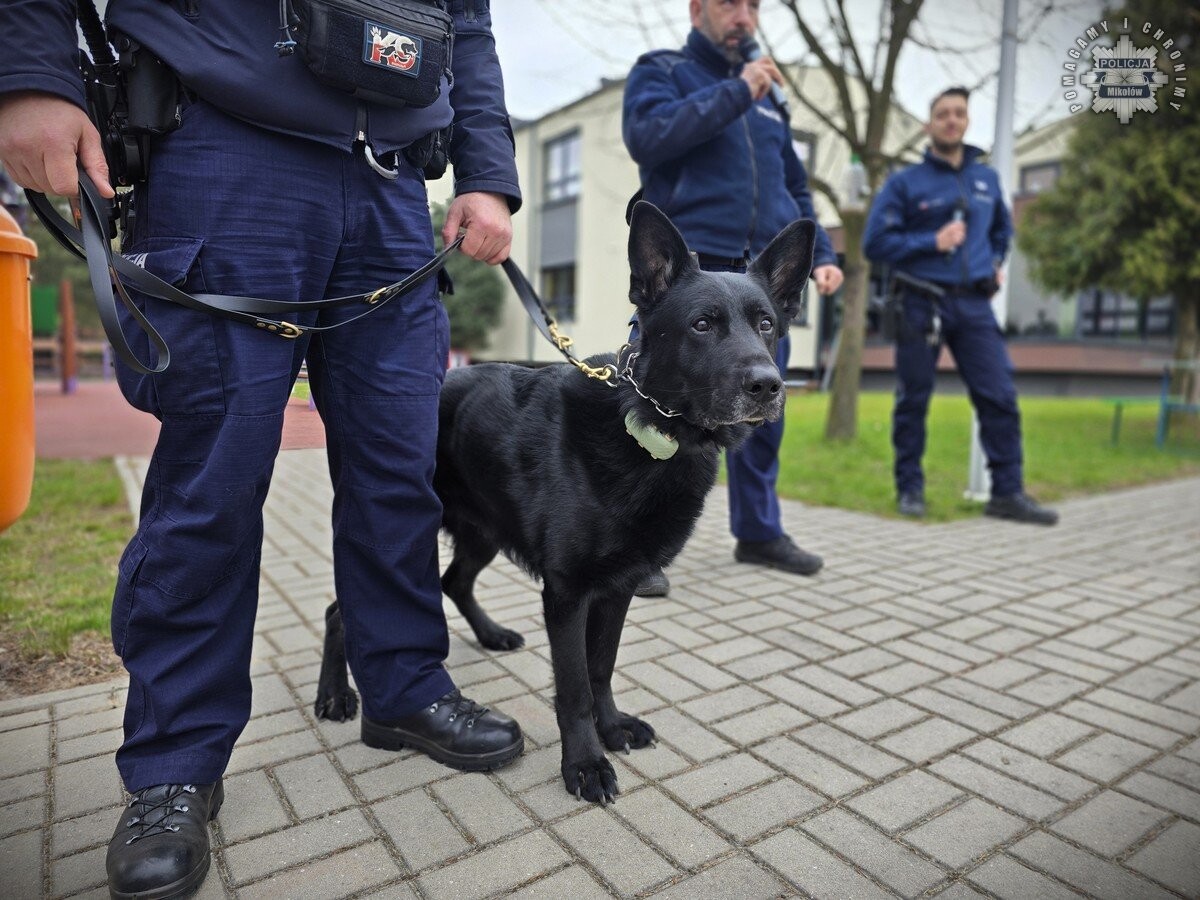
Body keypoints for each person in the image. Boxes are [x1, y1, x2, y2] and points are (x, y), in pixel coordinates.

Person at [0, 1, 525, 895]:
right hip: (223, 144)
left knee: (400, 473)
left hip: (393, 180)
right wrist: (29, 76)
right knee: (216, 480)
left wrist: (489, 171)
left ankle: (402, 688)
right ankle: (174, 762)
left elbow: (466, 22)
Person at [622, 0, 844, 596]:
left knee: (762, 410)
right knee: (660, 411)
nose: (743, 14)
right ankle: (637, 548)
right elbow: (647, 137)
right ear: (698, 10)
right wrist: (739, 92)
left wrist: (820, 256)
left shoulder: (772, 96)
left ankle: (759, 532)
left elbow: (795, 185)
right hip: (686, 273)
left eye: (753, 4)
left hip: (760, 281)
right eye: (729, 2)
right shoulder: (665, 71)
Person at [863, 86, 1057, 525]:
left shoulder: (987, 179)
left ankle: (1007, 492)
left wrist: (996, 261)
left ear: (967, 121)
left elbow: (1003, 232)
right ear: (929, 124)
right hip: (919, 301)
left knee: (1000, 395)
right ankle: (909, 488)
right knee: (913, 398)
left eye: (959, 113)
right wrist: (931, 240)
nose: (951, 120)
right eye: (943, 113)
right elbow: (874, 243)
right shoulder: (904, 183)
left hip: (973, 307)